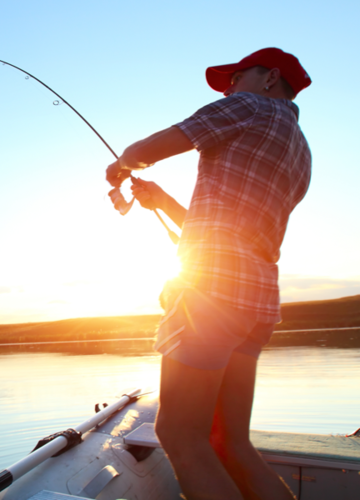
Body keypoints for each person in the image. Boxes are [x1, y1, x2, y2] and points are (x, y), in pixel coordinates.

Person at [106, 48, 312, 500]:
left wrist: (122, 165)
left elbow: (144, 152)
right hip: (256, 301)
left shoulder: (249, 105)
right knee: (230, 442)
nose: (228, 88)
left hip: (212, 295)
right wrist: (161, 202)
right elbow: (233, 230)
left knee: (181, 435)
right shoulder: (301, 149)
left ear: (270, 78)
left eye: (236, 77)